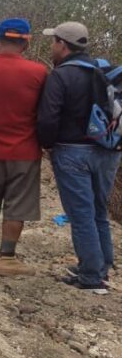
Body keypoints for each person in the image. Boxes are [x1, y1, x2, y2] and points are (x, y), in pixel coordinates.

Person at [37, 21, 121, 295]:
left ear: (62, 44)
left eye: (54, 41)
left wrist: (47, 146)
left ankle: (90, 277)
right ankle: (100, 266)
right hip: (107, 153)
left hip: (72, 152)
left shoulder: (61, 76)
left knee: (81, 215)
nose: (51, 46)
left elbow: (48, 117)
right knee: (98, 211)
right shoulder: (103, 69)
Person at [0, 18, 47, 277]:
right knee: (18, 205)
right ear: (26, 43)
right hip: (24, 150)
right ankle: (8, 258)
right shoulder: (38, 73)